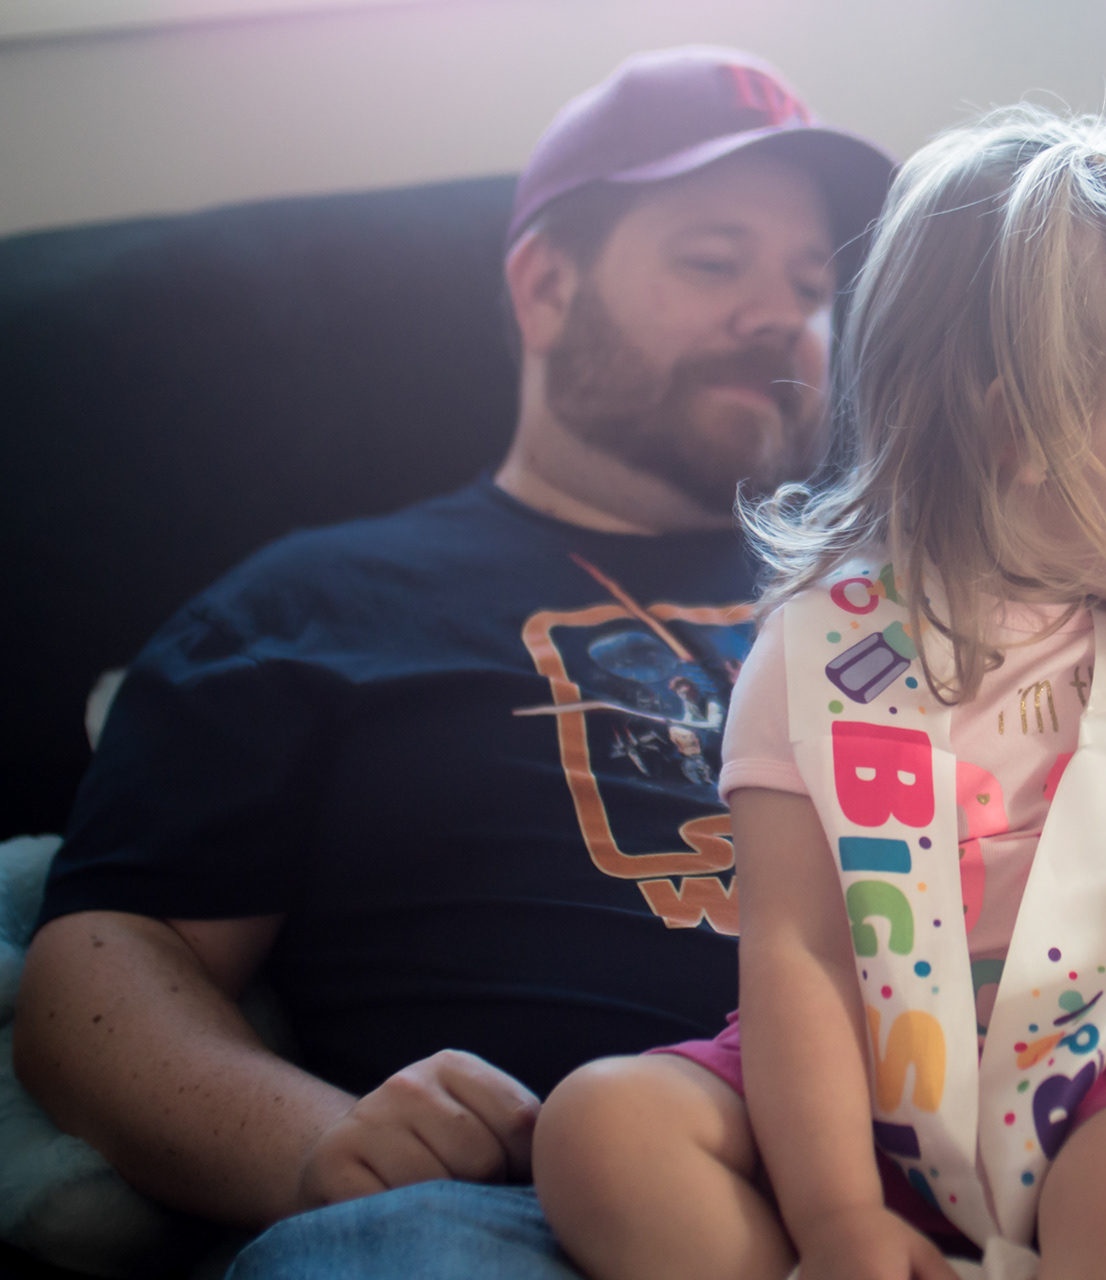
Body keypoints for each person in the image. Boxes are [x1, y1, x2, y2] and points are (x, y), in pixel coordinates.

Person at [12, 47, 893, 1277]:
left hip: (935, 1181)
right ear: (546, 287)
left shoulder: (904, 595)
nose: (779, 316)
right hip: (503, 1213)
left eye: (812, 283)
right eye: (712, 260)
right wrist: (317, 1146)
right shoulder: (315, 602)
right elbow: (99, 967)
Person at [528, 107, 1106, 1280]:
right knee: (600, 1127)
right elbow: (798, 950)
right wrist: (836, 1209)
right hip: (860, 1064)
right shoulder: (813, 653)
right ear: (1027, 428)